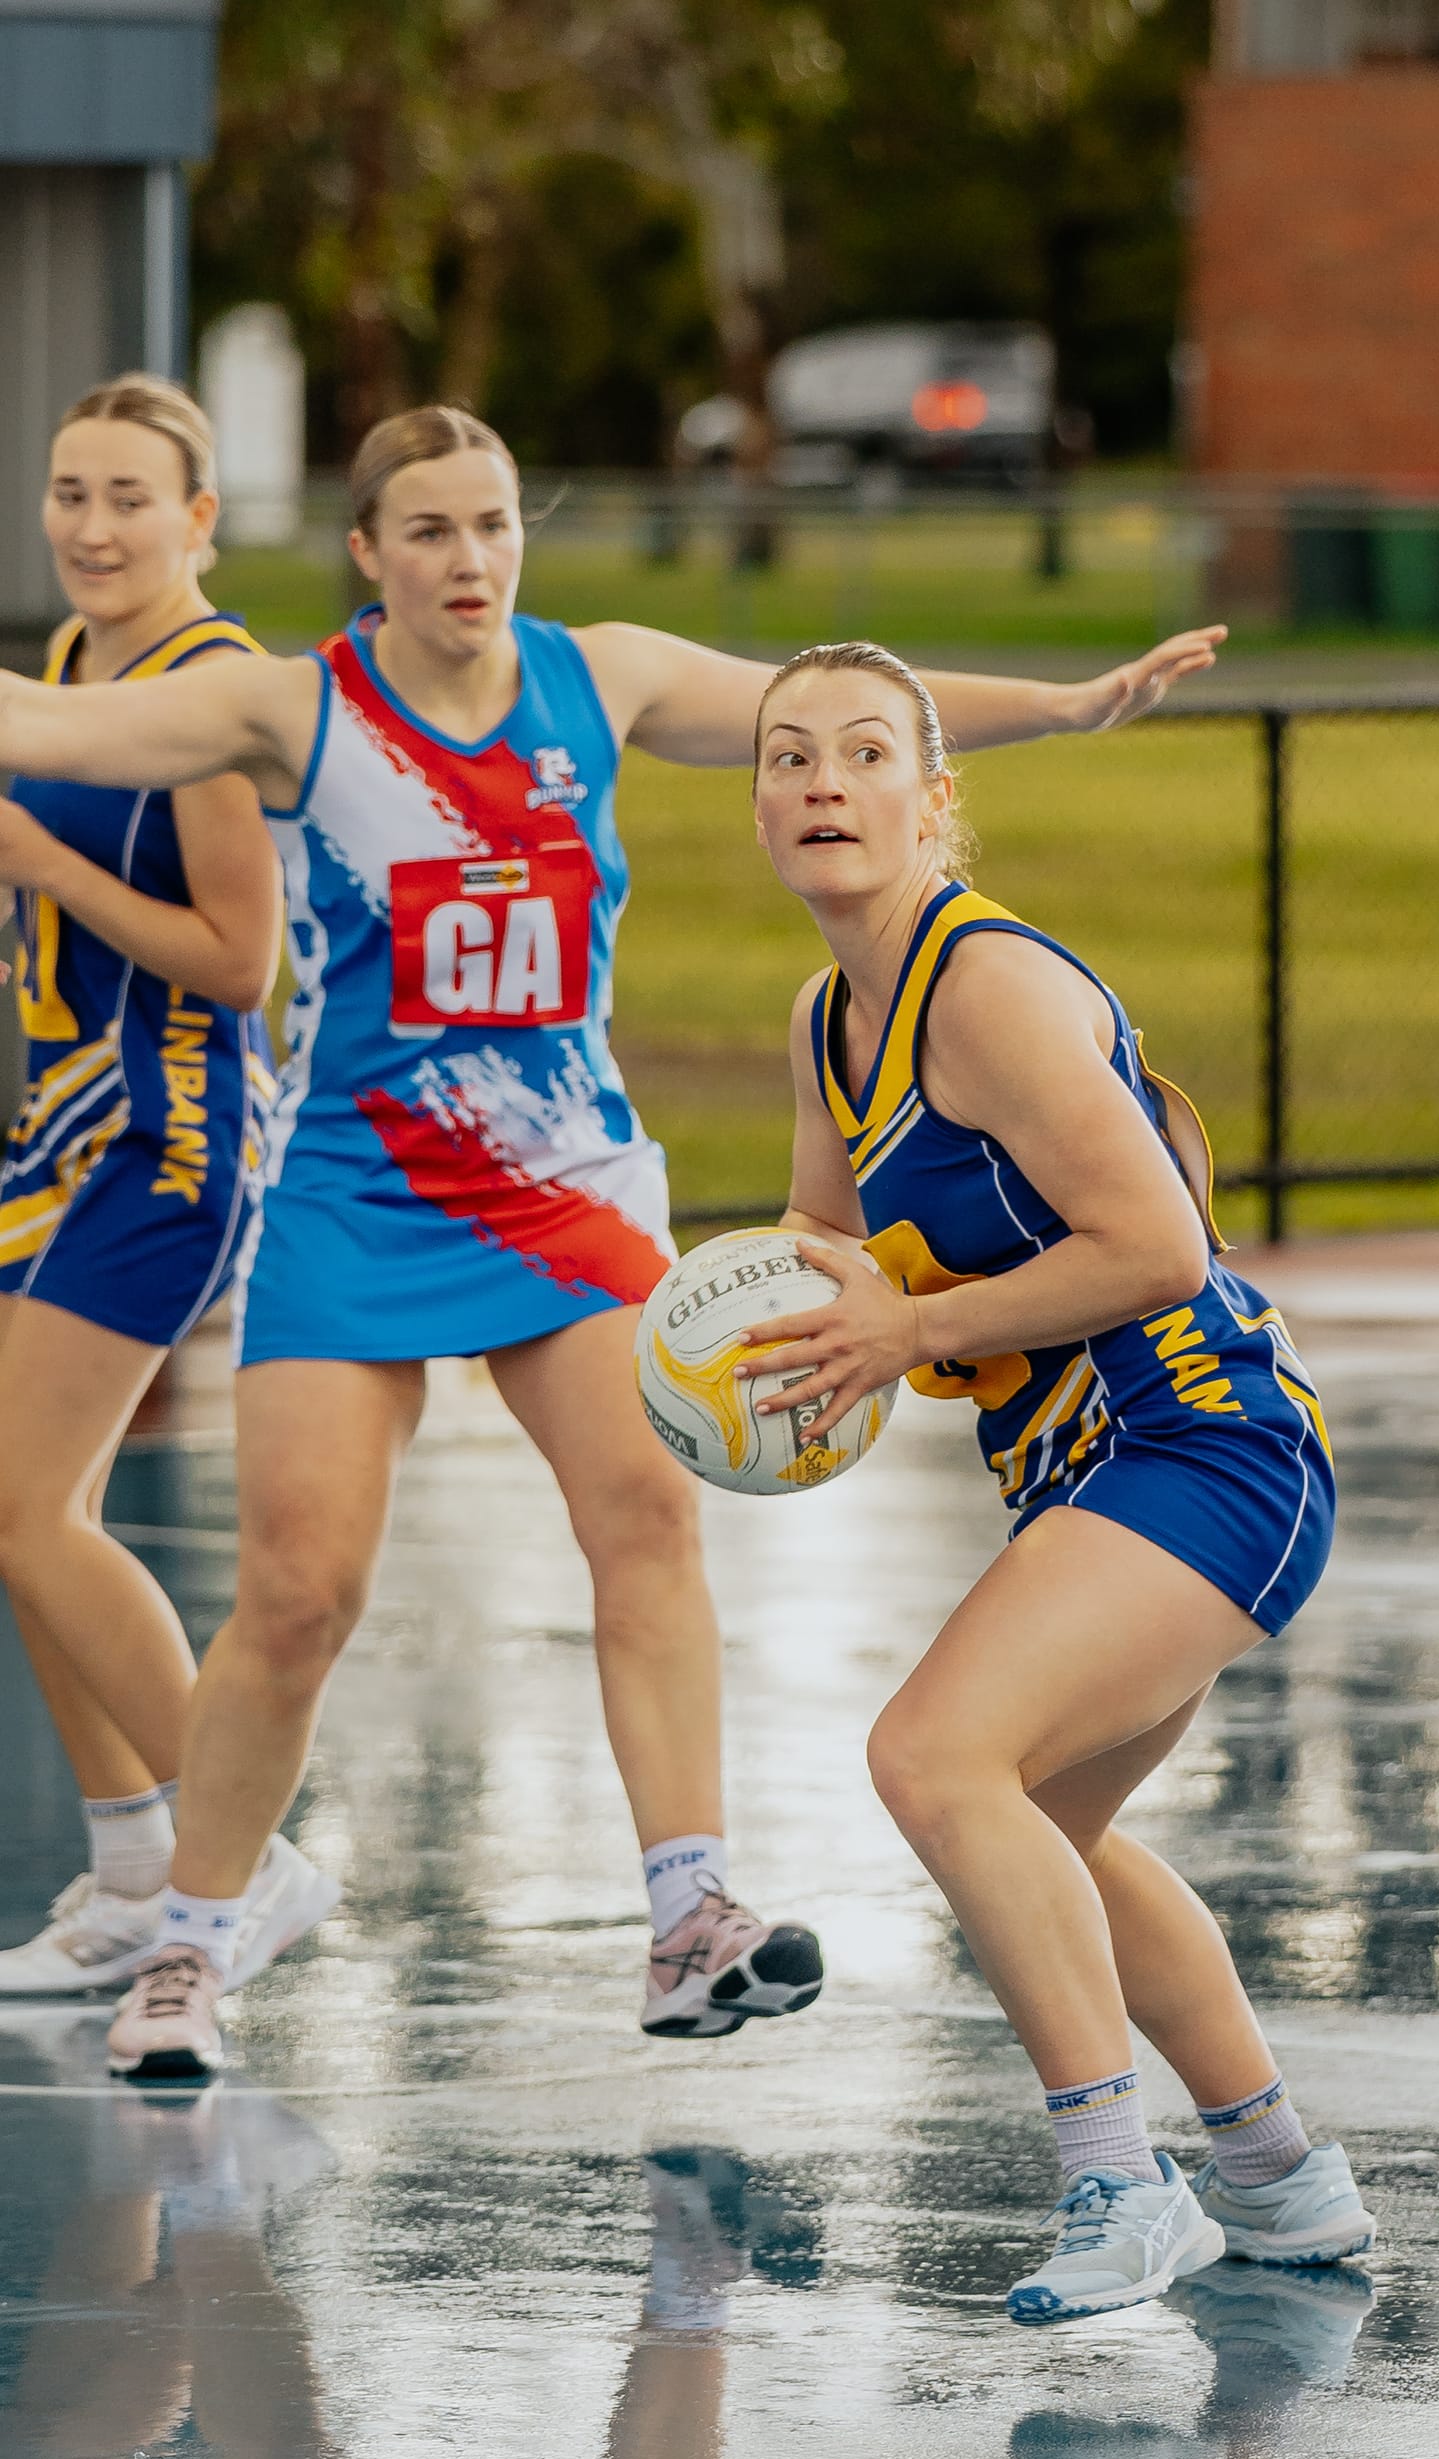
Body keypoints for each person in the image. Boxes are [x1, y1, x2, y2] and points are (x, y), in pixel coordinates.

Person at [0, 404, 1225, 2084]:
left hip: (565, 1176)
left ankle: (690, 1915)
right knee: (296, 1588)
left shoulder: (607, 676)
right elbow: (53, 722)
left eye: (494, 524)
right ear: (368, 552)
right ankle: (195, 1946)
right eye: (429, 530)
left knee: (647, 1516)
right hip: (360, 1187)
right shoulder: (295, 709)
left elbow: (841, 713)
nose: (469, 560)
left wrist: (1069, 708)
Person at [738, 641, 1376, 2323]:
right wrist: (732, 1335)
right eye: (788, 757)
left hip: (1207, 1444)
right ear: (759, 812)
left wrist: (910, 1327)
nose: (822, 782)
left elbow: (1159, 1243)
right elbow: (822, 1242)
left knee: (933, 1760)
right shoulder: (830, 1016)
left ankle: (1120, 2184)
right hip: (1097, 1477)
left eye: (866, 753)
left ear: (935, 803)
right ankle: (1281, 2178)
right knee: (1051, 1840)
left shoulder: (987, 989)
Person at [0, 374, 328, 2001]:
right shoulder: (64, 668)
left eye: (130, 496)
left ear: (200, 518)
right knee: (23, 1517)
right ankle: (138, 1866)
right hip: (59, 1136)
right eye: (70, 492)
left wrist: (42, 863)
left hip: (172, 1140)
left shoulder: (211, 690)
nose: (92, 526)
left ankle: (237, 1857)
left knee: (25, 1503)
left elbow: (242, 961)